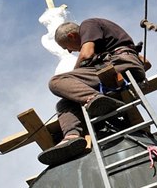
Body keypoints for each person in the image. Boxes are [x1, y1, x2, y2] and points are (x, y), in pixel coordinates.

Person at [37, 18, 146, 166]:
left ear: (71, 36)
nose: (69, 51)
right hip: (119, 67)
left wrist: (74, 76)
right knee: (64, 104)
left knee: (56, 82)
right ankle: (72, 136)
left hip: (117, 64)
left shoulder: (88, 25)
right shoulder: (109, 40)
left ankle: (95, 98)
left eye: (66, 47)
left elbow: (86, 54)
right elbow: (147, 63)